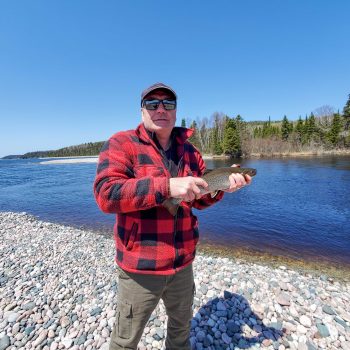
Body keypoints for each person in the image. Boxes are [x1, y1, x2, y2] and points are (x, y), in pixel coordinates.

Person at [93, 82, 252, 349]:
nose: (160, 109)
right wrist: (166, 186)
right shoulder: (122, 143)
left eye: (168, 104)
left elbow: (199, 201)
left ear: (176, 111)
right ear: (142, 110)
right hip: (139, 267)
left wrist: (223, 186)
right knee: (124, 340)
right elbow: (106, 195)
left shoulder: (190, 152)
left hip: (183, 264)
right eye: (152, 104)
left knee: (180, 334)